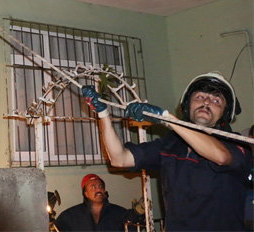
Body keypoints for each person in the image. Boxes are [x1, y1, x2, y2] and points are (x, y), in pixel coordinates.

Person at [83, 71, 252, 231]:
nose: (206, 102)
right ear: (187, 105)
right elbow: (120, 158)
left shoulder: (237, 144)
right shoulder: (171, 144)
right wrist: (103, 114)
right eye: (200, 97)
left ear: (224, 113)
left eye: (216, 101)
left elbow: (221, 156)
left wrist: (167, 118)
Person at [54, 174, 130, 231]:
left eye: (101, 186)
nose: (98, 190)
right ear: (86, 193)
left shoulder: (120, 213)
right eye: (93, 187)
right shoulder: (69, 216)